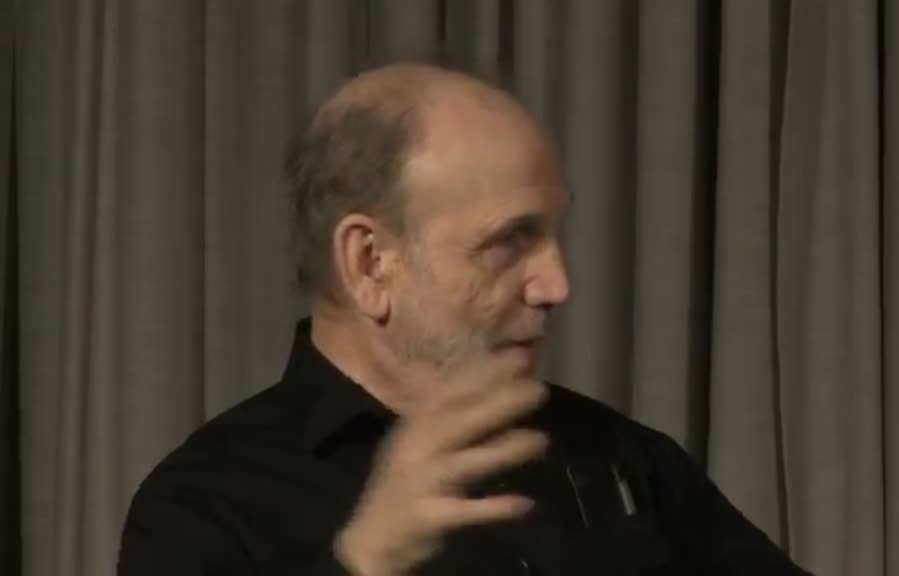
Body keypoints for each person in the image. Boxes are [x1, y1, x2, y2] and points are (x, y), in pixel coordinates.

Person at [117, 63, 811, 575]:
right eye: (510, 240)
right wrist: (365, 565)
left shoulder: (626, 461)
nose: (557, 284)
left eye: (554, 234)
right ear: (370, 263)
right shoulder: (205, 505)